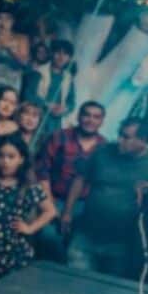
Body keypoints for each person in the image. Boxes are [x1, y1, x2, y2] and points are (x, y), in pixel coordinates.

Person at [66, 118, 148, 278]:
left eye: (126, 137)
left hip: (121, 243)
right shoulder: (103, 152)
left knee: (108, 292)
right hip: (86, 234)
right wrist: (67, 212)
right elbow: (80, 178)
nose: (119, 141)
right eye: (119, 135)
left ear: (142, 140)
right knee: (74, 281)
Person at [0, 134, 56, 281]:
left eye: (11, 157)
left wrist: (30, 228)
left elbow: (50, 211)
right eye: (1, 156)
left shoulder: (28, 185)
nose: (5, 161)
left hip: (16, 250)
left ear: (21, 159)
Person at [34, 101, 107, 261]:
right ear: (79, 116)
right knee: (48, 236)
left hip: (85, 205)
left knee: (78, 247)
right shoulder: (59, 137)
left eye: (96, 117)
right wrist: (49, 204)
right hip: (54, 198)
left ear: (102, 121)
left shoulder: (104, 147)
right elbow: (41, 171)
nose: (90, 120)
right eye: (86, 115)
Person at [23, 39, 75, 136]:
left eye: (65, 54)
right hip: (37, 116)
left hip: (57, 121)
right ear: (52, 53)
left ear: (69, 58)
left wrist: (65, 109)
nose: (61, 57)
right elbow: (28, 95)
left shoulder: (68, 78)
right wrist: (46, 104)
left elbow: (71, 102)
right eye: (58, 52)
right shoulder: (38, 72)